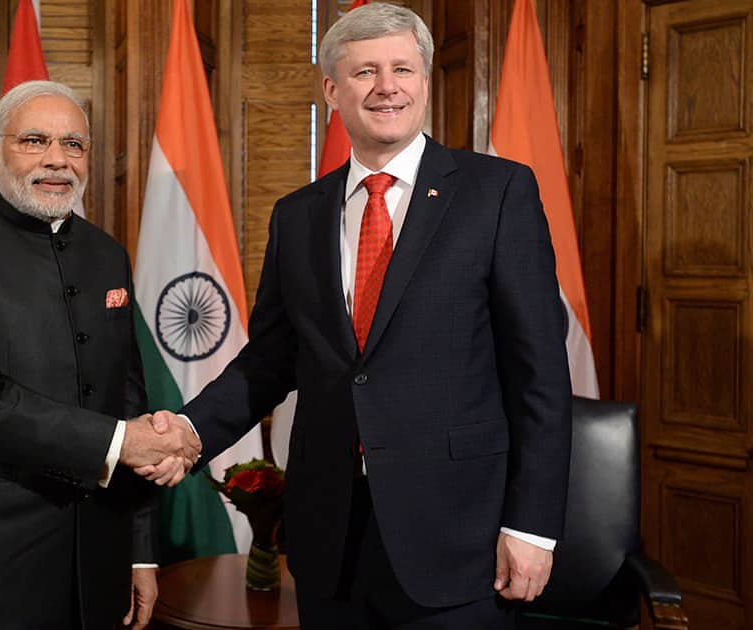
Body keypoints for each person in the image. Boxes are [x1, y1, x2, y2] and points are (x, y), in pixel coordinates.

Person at [141, 4, 572, 628]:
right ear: (332, 89)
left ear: (425, 81)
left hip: (458, 536)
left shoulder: (498, 192)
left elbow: (540, 376)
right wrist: (190, 430)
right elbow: (270, 359)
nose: (387, 86)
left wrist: (532, 525)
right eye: (365, 71)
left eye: (403, 69)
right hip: (330, 538)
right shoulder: (298, 214)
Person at [0, 80, 200, 630]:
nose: (57, 160)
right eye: (35, 140)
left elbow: (128, 400)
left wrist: (140, 551)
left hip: (94, 554)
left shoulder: (107, 253)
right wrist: (120, 441)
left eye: (74, 144)